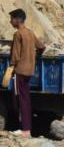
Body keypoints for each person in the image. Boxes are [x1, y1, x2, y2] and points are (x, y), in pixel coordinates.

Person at [9, 8, 45, 138]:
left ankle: (24, 129)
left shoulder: (18, 34)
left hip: (20, 71)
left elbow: (15, 56)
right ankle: (26, 129)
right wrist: (35, 56)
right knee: (25, 99)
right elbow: (41, 46)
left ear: (18, 20)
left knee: (19, 99)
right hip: (29, 71)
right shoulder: (30, 32)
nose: (10, 22)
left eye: (11, 19)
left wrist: (11, 68)